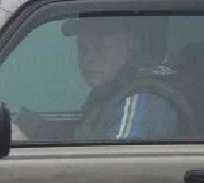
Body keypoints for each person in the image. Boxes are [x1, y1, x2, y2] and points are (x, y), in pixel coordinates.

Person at [63, 14, 193, 140]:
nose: (88, 58)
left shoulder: (141, 100)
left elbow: (119, 161)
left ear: (133, 46)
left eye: (100, 47)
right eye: (82, 47)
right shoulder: (110, 92)